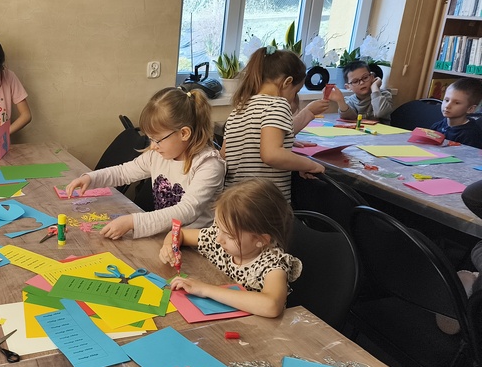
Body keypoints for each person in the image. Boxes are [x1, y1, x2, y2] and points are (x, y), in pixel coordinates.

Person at [64, 86, 226, 239]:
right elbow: (123, 172)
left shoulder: (209, 165)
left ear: (184, 133)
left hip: (194, 248)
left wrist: (133, 222)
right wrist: (91, 178)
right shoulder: (158, 155)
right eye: (150, 139)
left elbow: (187, 211)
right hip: (165, 239)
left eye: (157, 139)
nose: (153, 146)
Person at [159, 178, 301, 318]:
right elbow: (179, 233)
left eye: (230, 235)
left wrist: (204, 289)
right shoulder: (218, 238)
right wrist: (169, 246)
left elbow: (272, 306)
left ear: (261, 240)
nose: (219, 239)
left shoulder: (272, 264)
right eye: (219, 228)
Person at [221, 47, 324, 201]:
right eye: (296, 91)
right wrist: (309, 165)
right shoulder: (277, 105)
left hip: (234, 202)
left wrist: (296, 163)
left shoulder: (240, 108)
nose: (293, 98)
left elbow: (224, 155)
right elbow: (272, 154)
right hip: (264, 203)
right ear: (287, 82)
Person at [429, 77, 482, 148]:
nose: (447, 106)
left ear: (470, 109)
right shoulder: (438, 126)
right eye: (446, 100)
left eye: (457, 103)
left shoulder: (471, 135)